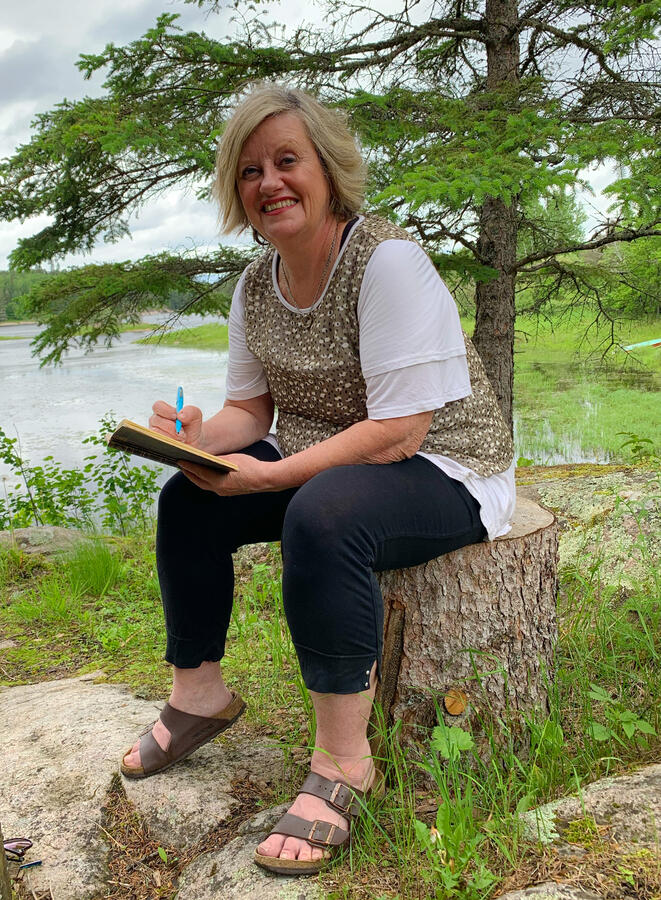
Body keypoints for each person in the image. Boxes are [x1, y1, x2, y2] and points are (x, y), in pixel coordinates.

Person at [120, 84, 515, 875]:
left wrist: (268, 481)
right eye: (250, 170)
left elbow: (400, 430)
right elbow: (249, 411)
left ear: (328, 171)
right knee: (187, 499)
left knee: (324, 515)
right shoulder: (254, 285)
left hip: (445, 466)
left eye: (286, 161)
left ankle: (341, 764)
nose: (269, 183)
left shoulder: (387, 261)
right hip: (330, 455)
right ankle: (198, 694)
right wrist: (199, 441)